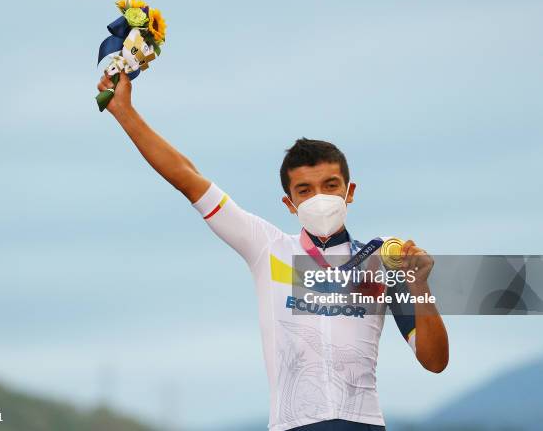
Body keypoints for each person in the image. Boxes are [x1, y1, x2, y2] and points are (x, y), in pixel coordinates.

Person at [96, 72, 449, 431]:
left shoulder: (382, 262)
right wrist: (123, 110)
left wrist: (421, 286)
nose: (320, 198)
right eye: (305, 190)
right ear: (289, 202)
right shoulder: (268, 248)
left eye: (330, 186)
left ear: (350, 191)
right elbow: (188, 178)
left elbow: (435, 362)